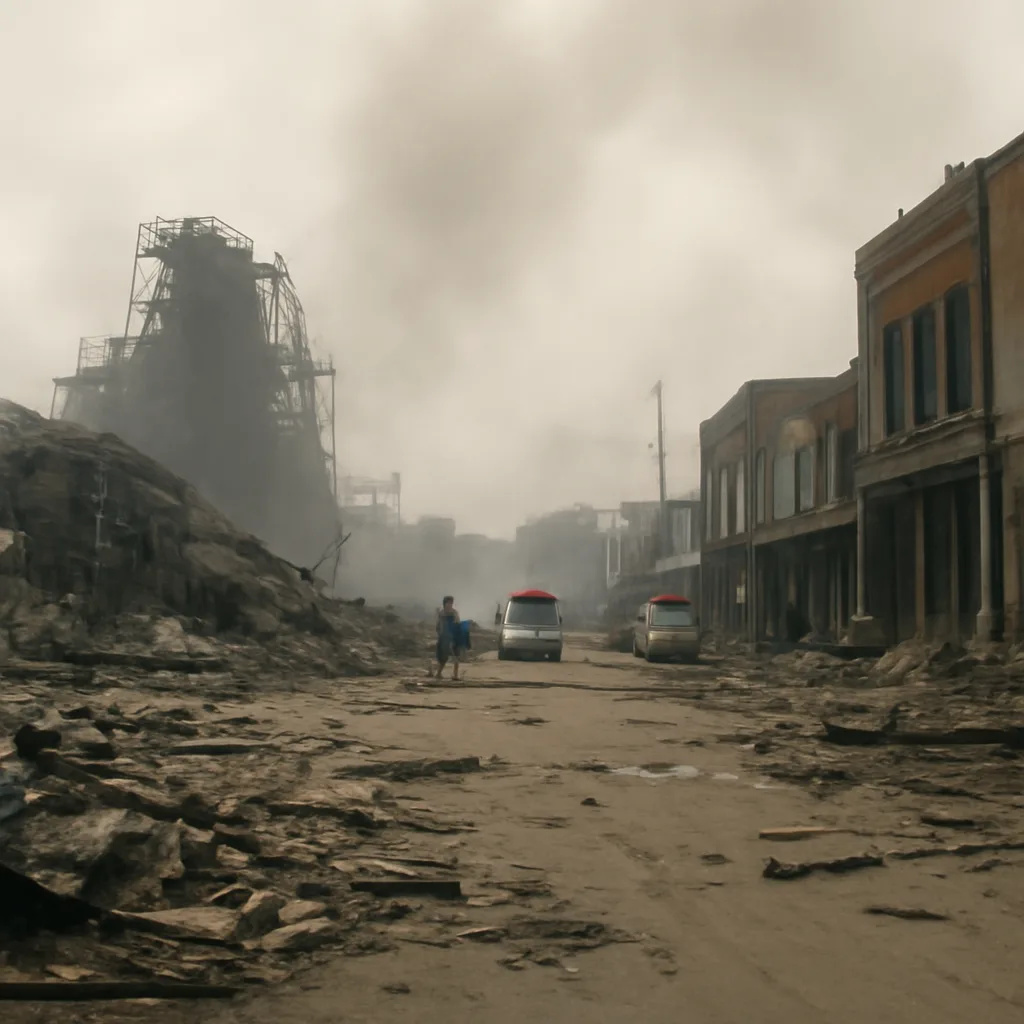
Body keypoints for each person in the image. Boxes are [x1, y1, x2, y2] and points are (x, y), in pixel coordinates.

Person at [433, 595, 462, 680]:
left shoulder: (455, 613)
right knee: (443, 657)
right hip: (444, 637)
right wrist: (441, 635)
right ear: (445, 603)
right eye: (448, 603)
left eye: (451, 603)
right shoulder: (441, 614)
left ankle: (455, 675)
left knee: (456, 656)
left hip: (453, 637)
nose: (450, 605)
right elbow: (438, 626)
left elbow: (458, 624)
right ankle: (438, 673)